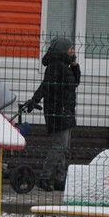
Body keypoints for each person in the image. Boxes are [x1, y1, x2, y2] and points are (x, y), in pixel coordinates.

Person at [24, 36, 80, 191]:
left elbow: (74, 83)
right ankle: (45, 177)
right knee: (59, 146)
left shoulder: (65, 66)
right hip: (58, 112)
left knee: (64, 147)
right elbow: (46, 85)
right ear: (63, 50)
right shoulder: (56, 66)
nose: (73, 51)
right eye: (70, 49)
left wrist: (75, 65)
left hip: (66, 111)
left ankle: (60, 180)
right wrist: (35, 99)